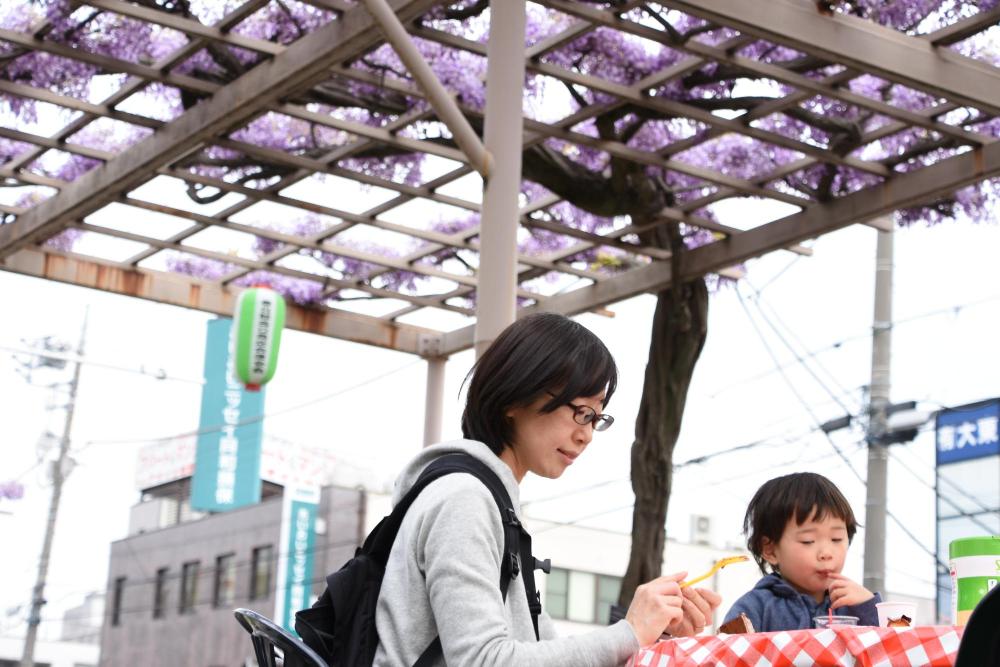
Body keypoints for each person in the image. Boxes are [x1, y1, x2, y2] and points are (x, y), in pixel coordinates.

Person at [373, 312, 721, 666]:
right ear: (515, 397)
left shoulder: (494, 504)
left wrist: (652, 632)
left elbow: (544, 651)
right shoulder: (464, 499)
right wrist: (629, 632)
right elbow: (482, 660)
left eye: (596, 419)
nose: (585, 434)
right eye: (581, 412)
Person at [722, 472, 881, 631]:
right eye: (808, 541)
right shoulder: (754, 608)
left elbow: (889, 650)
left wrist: (869, 607)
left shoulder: (853, 604)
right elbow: (727, 652)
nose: (826, 553)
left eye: (836, 539)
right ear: (770, 550)